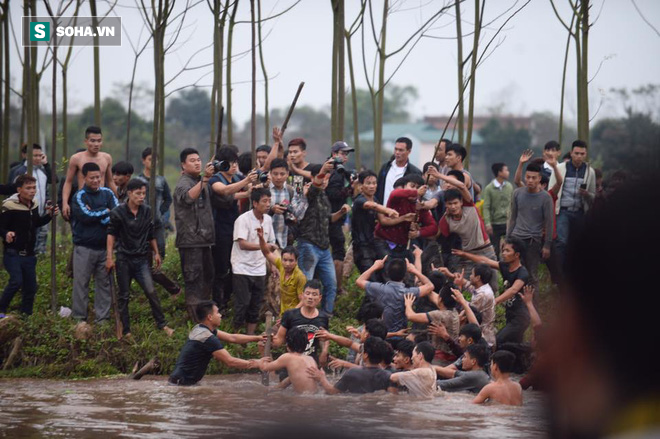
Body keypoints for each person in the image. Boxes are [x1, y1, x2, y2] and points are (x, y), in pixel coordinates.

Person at [106, 178, 173, 338]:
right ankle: (126, 329)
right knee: (123, 295)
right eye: (138, 193)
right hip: (123, 259)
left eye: (143, 193)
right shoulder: (118, 212)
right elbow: (111, 235)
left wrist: (156, 252)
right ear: (129, 193)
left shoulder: (146, 211)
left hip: (142, 258)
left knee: (151, 291)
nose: (141, 196)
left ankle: (162, 324)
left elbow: (150, 234)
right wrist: (109, 257)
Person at [169, 301, 270, 385]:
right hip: (181, 385)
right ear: (210, 317)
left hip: (179, 382)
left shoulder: (200, 328)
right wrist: (257, 363)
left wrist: (258, 337)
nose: (220, 315)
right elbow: (230, 362)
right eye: (217, 313)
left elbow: (232, 337)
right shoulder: (208, 338)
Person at [453, 237, 530, 345]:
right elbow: (485, 261)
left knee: (498, 342)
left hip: (520, 318)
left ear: (517, 255)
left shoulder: (522, 273)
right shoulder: (505, 267)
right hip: (510, 315)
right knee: (513, 346)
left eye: (507, 251)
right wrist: (465, 254)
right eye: (503, 250)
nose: (503, 253)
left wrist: (494, 301)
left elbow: (513, 290)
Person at [0, 175, 58, 317]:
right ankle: (1, 309)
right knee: (16, 281)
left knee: (31, 287)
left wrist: (49, 215)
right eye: (28, 188)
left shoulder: (34, 204)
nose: (32, 191)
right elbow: (1, 227)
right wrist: (6, 233)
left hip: (30, 254)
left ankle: (26, 315)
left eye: (34, 188)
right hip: (13, 252)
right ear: (19, 189)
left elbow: (36, 223)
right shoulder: (9, 206)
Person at [296, 161, 347, 315]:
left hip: (324, 247)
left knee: (331, 284)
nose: (324, 181)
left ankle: (325, 316)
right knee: (306, 284)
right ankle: (301, 316)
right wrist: (323, 169)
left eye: (327, 178)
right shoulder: (309, 193)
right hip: (308, 244)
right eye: (322, 178)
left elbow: (328, 218)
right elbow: (316, 186)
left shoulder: (324, 196)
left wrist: (341, 212)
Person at [208, 146, 256, 310]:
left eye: (236, 162)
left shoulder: (235, 178)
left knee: (234, 266)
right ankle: (218, 304)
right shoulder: (216, 179)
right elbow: (225, 191)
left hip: (235, 229)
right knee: (221, 269)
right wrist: (246, 182)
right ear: (222, 164)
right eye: (230, 163)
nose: (234, 166)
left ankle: (227, 300)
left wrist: (250, 189)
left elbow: (238, 192)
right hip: (219, 230)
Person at [71, 162, 119, 324]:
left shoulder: (108, 194)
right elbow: (85, 216)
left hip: (105, 248)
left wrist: (100, 214)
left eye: (98, 177)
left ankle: (102, 319)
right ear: (84, 178)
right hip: (84, 248)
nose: (96, 180)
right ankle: (79, 318)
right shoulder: (79, 196)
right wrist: (105, 212)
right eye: (92, 178)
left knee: (104, 284)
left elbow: (117, 214)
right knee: (81, 284)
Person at [173, 148, 216, 320]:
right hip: (190, 242)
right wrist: (205, 179)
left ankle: (205, 318)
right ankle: (195, 321)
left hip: (204, 240)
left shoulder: (200, 181)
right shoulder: (183, 183)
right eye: (192, 160)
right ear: (183, 165)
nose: (197, 162)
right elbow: (188, 197)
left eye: (199, 159)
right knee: (193, 281)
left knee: (207, 278)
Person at [356, 256, 434, 345]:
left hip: (381, 337)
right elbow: (430, 286)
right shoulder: (408, 293)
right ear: (405, 274)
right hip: (401, 337)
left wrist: (375, 266)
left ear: (387, 273)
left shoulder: (380, 289)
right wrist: (414, 270)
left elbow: (359, 281)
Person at [231, 188, 276, 334]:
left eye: (269, 201)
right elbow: (242, 244)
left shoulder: (268, 220)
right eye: (264, 201)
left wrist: (273, 264)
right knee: (242, 303)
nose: (268, 204)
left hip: (260, 268)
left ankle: (249, 337)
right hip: (241, 267)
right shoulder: (243, 219)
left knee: (255, 305)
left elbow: (271, 244)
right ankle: (236, 336)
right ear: (255, 203)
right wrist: (263, 246)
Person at [136, 147, 180, 297]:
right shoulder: (138, 180)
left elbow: (168, 198)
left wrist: (161, 212)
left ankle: (157, 279)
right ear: (143, 161)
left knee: (159, 252)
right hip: (141, 225)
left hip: (157, 223)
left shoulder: (161, 180)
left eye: (155, 160)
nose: (152, 163)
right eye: (150, 160)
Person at [438, 189, 499, 293]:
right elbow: (439, 233)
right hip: (467, 255)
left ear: (461, 202)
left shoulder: (471, 208)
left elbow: (462, 186)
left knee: (493, 287)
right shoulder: (446, 220)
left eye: (455, 203)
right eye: (450, 204)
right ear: (446, 205)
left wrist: (440, 175)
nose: (453, 207)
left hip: (485, 251)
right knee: (459, 285)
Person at [507, 162, 554, 294]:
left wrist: (547, 245)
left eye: (534, 178)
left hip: (533, 240)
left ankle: (534, 309)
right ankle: (515, 306)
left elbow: (549, 222)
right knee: (514, 273)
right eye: (528, 177)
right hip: (516, 238)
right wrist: (507, 238)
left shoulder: (545, 198)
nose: (530, 180)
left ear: (539, 178)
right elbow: (513, 217)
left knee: (532, 275)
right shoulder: (517, 193)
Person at [549, 140, 596, 267]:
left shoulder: (589, 172)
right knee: (561, 242)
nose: (579, 156)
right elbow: (551, 191)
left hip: (580, 211)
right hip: (563, 211)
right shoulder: (560, 169)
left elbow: (593, 196)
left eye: (582, 154)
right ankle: (560, 275)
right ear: (571, 153)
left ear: (585, 154)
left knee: (578, 244)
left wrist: (586, 194)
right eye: (576, 153)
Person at [374, 175, 437, 261]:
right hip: (383, 241)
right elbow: (394, 193)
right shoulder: (397, 198)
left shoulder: (419, 207)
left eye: (418, 187)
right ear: (404, 187)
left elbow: (433, 227)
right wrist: (416, 193)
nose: (415, 189)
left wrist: (418, 233)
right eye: (412, 186)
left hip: (402, 246)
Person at [8, 144, 55, 255]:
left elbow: (50, 185)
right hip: (23, 215)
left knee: (41, 242)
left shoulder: (42, 171)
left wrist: (47, 202)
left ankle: (39, 266)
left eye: (40, 155)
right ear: (27, 156)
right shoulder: (20, 172)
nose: (38, 158)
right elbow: (12, 193)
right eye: (35, 156)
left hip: (40, 214)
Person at [271, 280, 330, 366]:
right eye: (308, 293)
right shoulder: (290, 315)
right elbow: (279, 340)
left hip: (311, 363)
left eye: (314, 294)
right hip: (290, 363)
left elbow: (324, 338)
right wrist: (270, 339)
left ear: (320, 298)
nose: (310, 297)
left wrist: (324, 352)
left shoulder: (323, 318)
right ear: (302, 295)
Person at [62, 126, 116, 220]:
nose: (96, 144)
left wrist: (118, 199)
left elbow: (110, 181)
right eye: (93, 141)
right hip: (83, 200)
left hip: (102, 200)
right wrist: (65, 203)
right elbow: (68, 182)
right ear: (86, 141)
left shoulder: (106, 158)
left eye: (99, 141)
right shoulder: (76, 158)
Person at [351, 170, 399, 274]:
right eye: (368, 183)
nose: (372, 186)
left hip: (375, 243)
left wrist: (404, 218)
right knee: (370, 277)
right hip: (362, 246)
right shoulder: (359, 200)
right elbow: (370, 205)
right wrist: (387, 210)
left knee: (388, 269)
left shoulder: (375, 199)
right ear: (361, 186)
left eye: (374, 183)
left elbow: (384, 220)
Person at [307, 336, 392, 394]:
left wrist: (322, 378)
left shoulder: (353, 373)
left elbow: (333, 392)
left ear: (365, 355)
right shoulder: (388, 375)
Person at [326, 141, 355, 293]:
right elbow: (331, 194)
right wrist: (349, 190)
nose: (345, 157)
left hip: (331, 218)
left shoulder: (340, 171)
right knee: (338, 251)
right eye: (343, 153)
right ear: (334, 154)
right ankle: (337, 288)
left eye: (346, 154)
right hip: (331, 218)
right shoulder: (334, 172)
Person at [257, 229, 306, 315]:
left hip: (295, 315)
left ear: (296, 261)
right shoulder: (281, 265)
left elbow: (303, 301)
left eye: (291, 261)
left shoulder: (300, 277)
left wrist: (290, 315)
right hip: (283, 314)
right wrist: (261, 238)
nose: (287, 264)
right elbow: (267, 252)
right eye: (285, 260)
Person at [403, 289, 460, 364]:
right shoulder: (454, 311)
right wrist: (427, 287)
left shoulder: (439, 315)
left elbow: (411, 316)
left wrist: (408, 304)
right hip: (451, 356)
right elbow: (433, 296)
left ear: (440, 299)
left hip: (442, 359)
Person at [258, 327, 319, 394]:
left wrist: (262, 350)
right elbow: (288, 380)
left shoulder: (288, 357)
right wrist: (273, 389)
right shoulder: (310, 359)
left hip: (302, 400)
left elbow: (265, 367)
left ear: (287, 344)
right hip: (313, 396)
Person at [448, 264, 496, 346]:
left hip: (483, 337)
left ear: (478, 278)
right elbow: (470, 287)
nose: (470, 276)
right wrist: (461, 281)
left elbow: (469, 310)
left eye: (472, 274)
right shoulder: (483, 287)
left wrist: (461, 300)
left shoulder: (483, 294)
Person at [376, 137, 422, 206]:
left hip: (403, 212)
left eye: (401, 150)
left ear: (409, 151)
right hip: (383, 211)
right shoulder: (385, 167)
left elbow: (417, 195)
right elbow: (378, 188)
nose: (397, 152)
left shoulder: (414, 172)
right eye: (396, 149)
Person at [482, 162, 512, 258]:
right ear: (499, 172)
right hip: (495, 223)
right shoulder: (489, 189)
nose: (508, 172)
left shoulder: (509, 186)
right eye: (506, 170)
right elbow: (486, 207)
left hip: (508, 222)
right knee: (495, 248)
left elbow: (512, 204)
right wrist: (487, 223)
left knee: (510, 246)